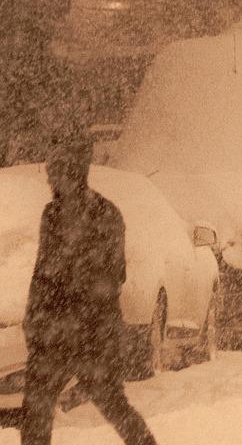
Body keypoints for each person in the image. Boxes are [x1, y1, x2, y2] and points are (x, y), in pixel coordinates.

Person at [20, 133, 158, 445]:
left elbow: (111, 278)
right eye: (50, 171)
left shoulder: (107, 215)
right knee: (36, 411)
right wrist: (35, 319)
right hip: (54, 333)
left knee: (111, 402)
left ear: (72, 172)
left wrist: (79, 318)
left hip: (92, 333)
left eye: (55, 171)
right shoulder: (51, 216)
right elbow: (42, 273)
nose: (49, 179)